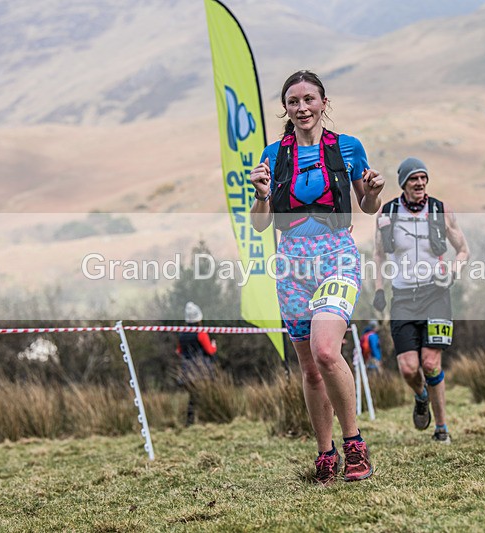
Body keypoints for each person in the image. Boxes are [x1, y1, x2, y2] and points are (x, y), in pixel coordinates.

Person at [249, 70, 384, 484]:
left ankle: (354, 444)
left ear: (324, 103)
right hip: (291, 262)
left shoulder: (348, 147)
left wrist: (373, 192)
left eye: (309, 99)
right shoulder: (273, 155)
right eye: (293, 101)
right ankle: (325, 453)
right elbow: (260, 224)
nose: (302, 107)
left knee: (326, 351)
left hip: (336, 256)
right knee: (309, 370)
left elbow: (368, 206)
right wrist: (261, 195)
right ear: (285, 108)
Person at [372, 157, 469, 443]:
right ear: (403, 183)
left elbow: (463, 250)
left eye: (423, 178)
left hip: (436, 294)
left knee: (430, 363)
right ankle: (421, 395)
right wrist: (379, 290)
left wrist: (453, 272)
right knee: (408, 368)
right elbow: (378, 254)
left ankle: (441, 428)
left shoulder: (441, 210)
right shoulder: (388, 212)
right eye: (414, 178)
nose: (420, 183)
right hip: (402, 297)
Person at [176, 301, 217, 427]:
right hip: (201, 369)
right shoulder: (201, 333)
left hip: (187, 369)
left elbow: (179, 351)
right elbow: (210, 350)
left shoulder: (182, 334)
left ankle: (190, 421)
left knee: (193, 396)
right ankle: (208, 418)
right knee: (206, 393)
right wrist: (214, 346)